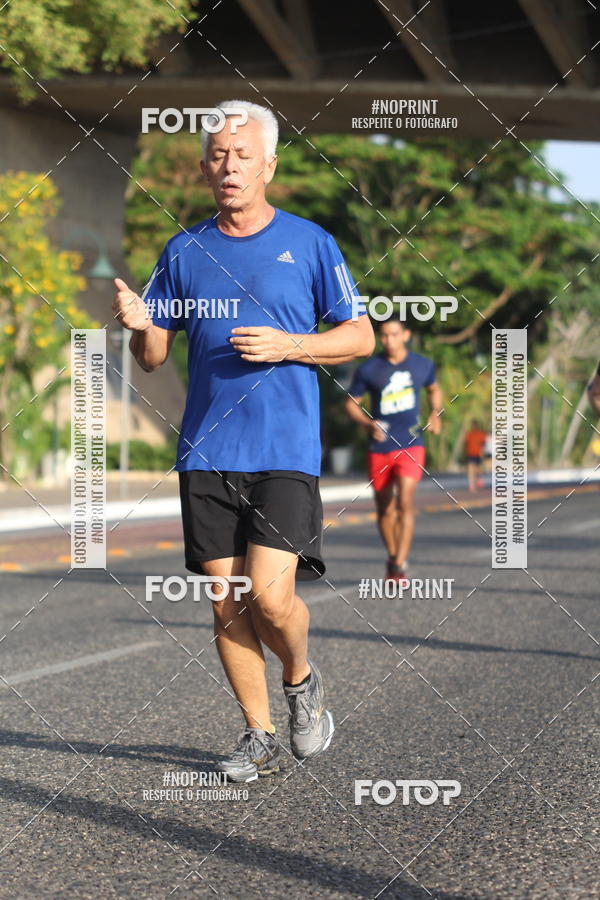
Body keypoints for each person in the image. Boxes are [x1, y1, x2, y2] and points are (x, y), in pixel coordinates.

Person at [112, 99, 375, 782]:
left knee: (270, 596)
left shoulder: (311, 242)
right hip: (207, 452)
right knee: (225, 600)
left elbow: (359, 335)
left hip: (285, 450)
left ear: (269, 165)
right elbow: (153, 358)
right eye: (219, 157)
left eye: (243, 156)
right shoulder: (183, 250)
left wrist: (291, 344)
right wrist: (140, 322)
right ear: (205, 167)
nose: (229, 167)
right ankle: (257, 734)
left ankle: (301, 678)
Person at [345, 318, 442, 586]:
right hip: (381, 447)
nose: (389, 340)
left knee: (405, 503)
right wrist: (367, 423)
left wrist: (435, 412)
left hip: (411, 443)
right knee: (385, 509)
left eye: (394, 334)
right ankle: (392, 556)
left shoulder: (422, 365)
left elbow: (434, 390)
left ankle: (399, 563)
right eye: (384, 335)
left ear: (406, 335)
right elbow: (351, 404)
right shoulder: (369, 369)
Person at [464, 419, 487, 492]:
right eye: (473, 425)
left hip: (478, 454)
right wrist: (465, 452)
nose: (474, 427)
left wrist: (482, 453)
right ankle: (472, 486)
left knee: (477, 469)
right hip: (470, 454)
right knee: (470, 469)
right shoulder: (469, 434)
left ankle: (479, 479)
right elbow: (466, 443)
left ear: (477, 426)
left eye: (475, 425)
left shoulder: (481, 434)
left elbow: (483, 444)